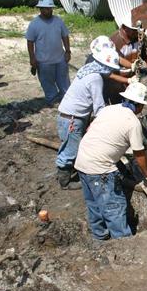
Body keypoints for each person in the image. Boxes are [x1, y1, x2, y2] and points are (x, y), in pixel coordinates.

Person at [75, 82, 147, 240]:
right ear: (139, 106)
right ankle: (123, 244)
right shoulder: (132, 122)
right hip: (100, 170)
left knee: (94, 204)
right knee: (114, 207)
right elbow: (139, 153)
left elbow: (90, 130)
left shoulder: (108, 109)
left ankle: (100, 238)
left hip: (82, 160)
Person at [56, 42, 129, 190]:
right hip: (72, 118)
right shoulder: (95, 78)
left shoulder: (88, 69)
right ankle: (64, 181)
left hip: (72, 115)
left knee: (74, 145)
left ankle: (70, 170)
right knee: (71, 149)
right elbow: (99, 108)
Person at [26, 0, 71, 106]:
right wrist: (32, 58)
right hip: (44, 62)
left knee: (64, 83)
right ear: (40, 9)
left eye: (50, 8)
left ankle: (67, 101)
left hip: (60, 59)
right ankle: (52, 101)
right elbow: (30, 42)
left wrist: (68, 51)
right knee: (48, 84)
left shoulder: (58, 21)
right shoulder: (34, 24)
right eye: (46, 8)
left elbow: (65, 36)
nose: (48, 10)